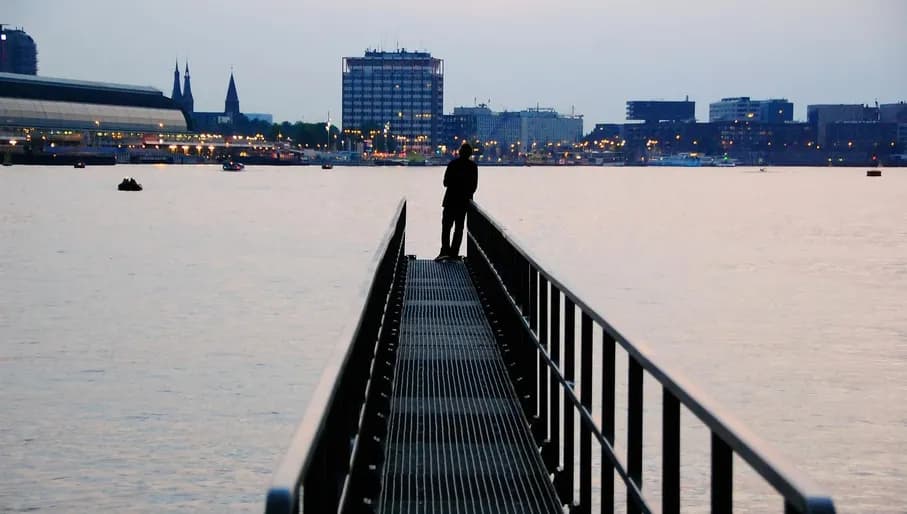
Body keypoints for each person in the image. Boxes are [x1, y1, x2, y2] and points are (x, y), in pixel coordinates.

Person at [435, 142, 478, 261]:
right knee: (459, 229)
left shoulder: (452, 164)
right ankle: (454, 253)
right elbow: (474, 186)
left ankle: (444, 251)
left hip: (450, 200)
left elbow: (445, 183)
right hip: (463, 202)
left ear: (459, 152)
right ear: (470, 154)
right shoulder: (473, 167)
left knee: (446, 227)